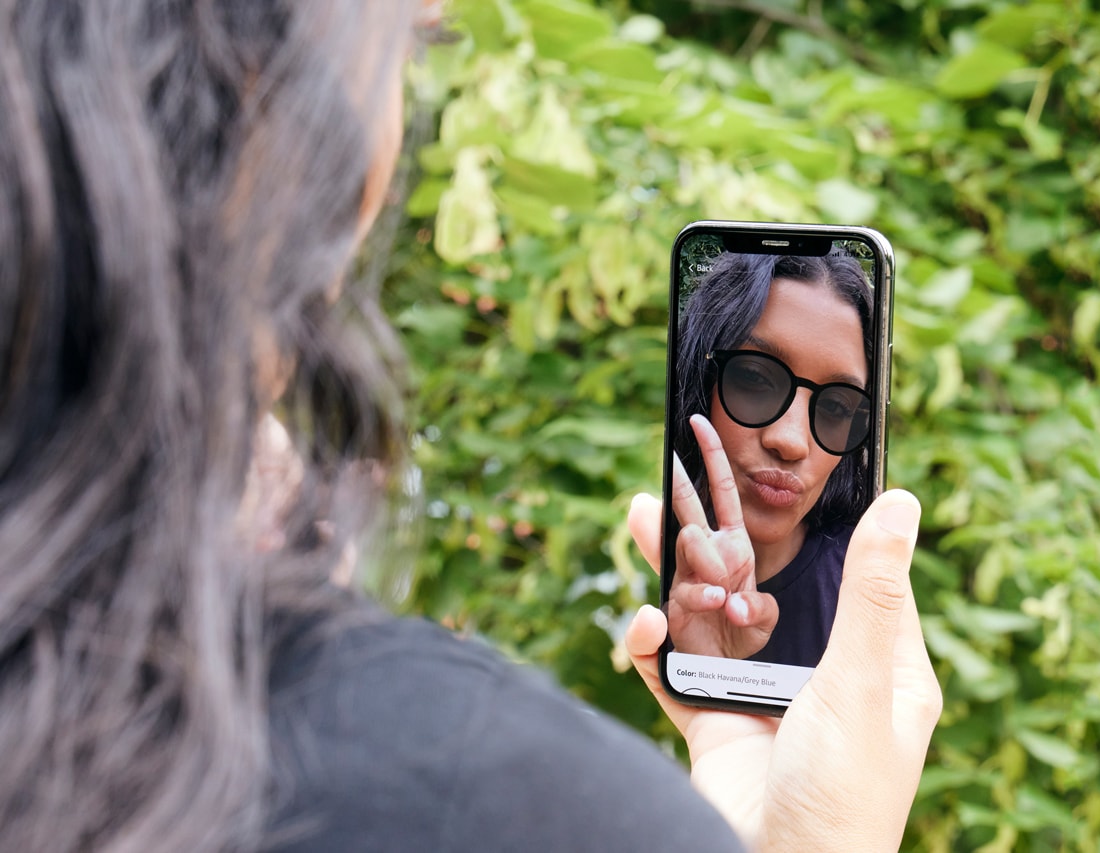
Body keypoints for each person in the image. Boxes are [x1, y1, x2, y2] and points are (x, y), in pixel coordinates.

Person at [0, 2, 941, 851]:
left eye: (837, 408)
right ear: (261, 98)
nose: (793, 438)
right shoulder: (525, 802)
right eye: (407, 47)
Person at [667, 249, 876, 667]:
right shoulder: (635, 561)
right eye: (755, 378)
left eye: (837, 406)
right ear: (700, 381)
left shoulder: (867, 594)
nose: (791, 441)